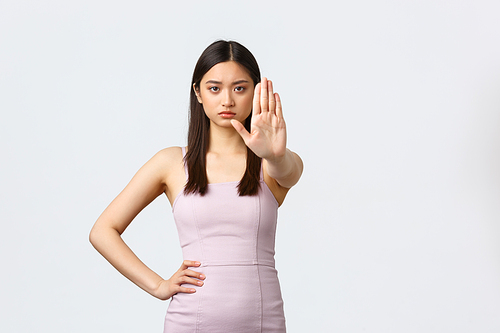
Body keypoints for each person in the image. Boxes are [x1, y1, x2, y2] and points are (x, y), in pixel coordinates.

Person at [89, 40, 303, 332]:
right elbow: (102, 231)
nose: (227, 100)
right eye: (214, 88)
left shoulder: (271, 162)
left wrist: (274, 154)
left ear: (254, 91)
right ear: (198, 92)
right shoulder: (172, 162)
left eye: (239, 88)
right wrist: (158, 285)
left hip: (263, 322)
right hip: (191, 322)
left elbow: (288, 173)